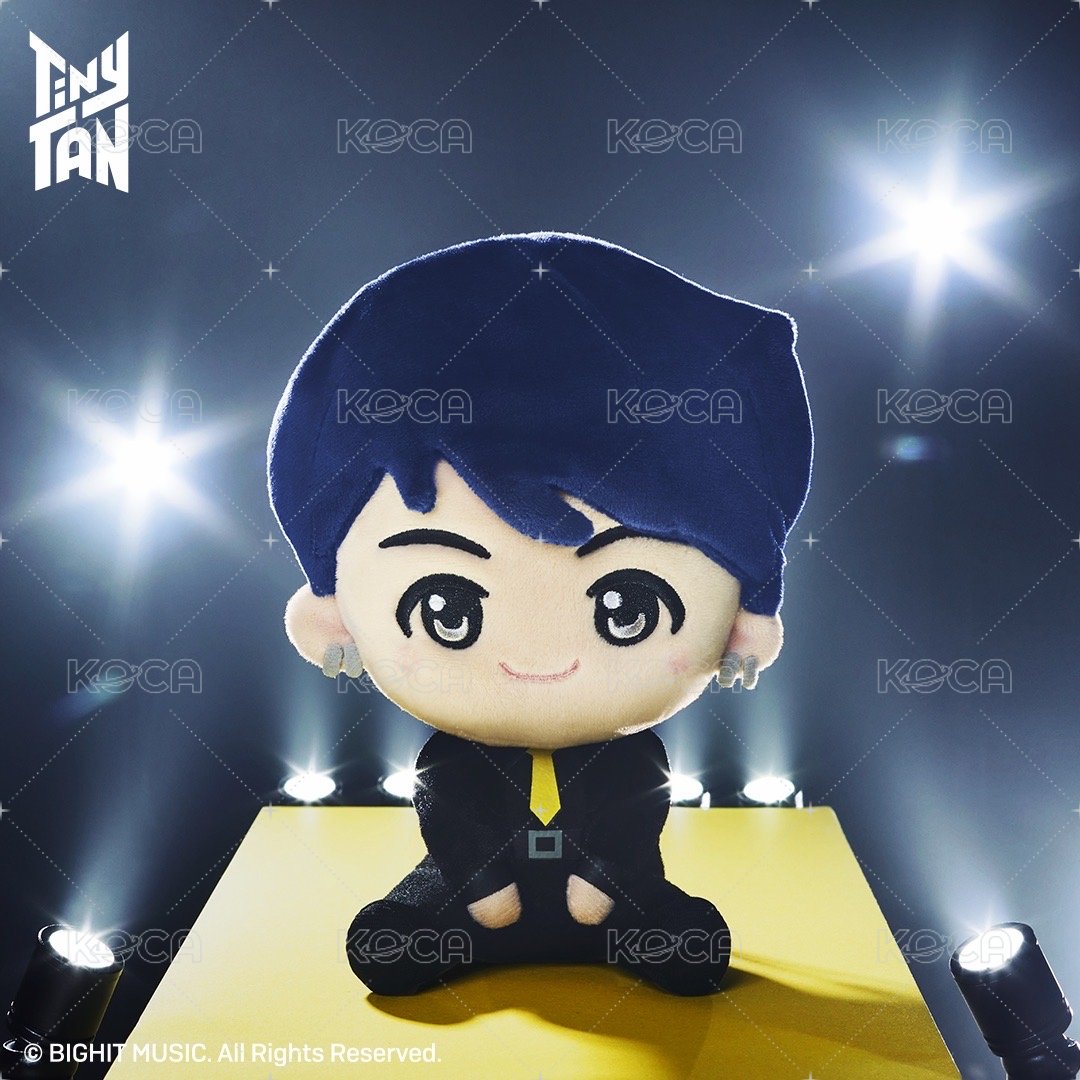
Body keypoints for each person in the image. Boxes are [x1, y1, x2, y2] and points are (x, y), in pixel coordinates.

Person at [267, 232, 812, 995]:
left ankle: (631, 921)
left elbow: (629, 815)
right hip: (470, 906)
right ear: (335, 614)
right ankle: (455, 919)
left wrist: (602, 884)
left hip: (613, 906)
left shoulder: (632, 759)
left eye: (626, 609)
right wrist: (486, 890)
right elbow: (454, 815)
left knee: (647, 848)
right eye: (448, 609)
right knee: (422, 883)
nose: (537, 657)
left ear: (736, 621)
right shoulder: (452, 761)